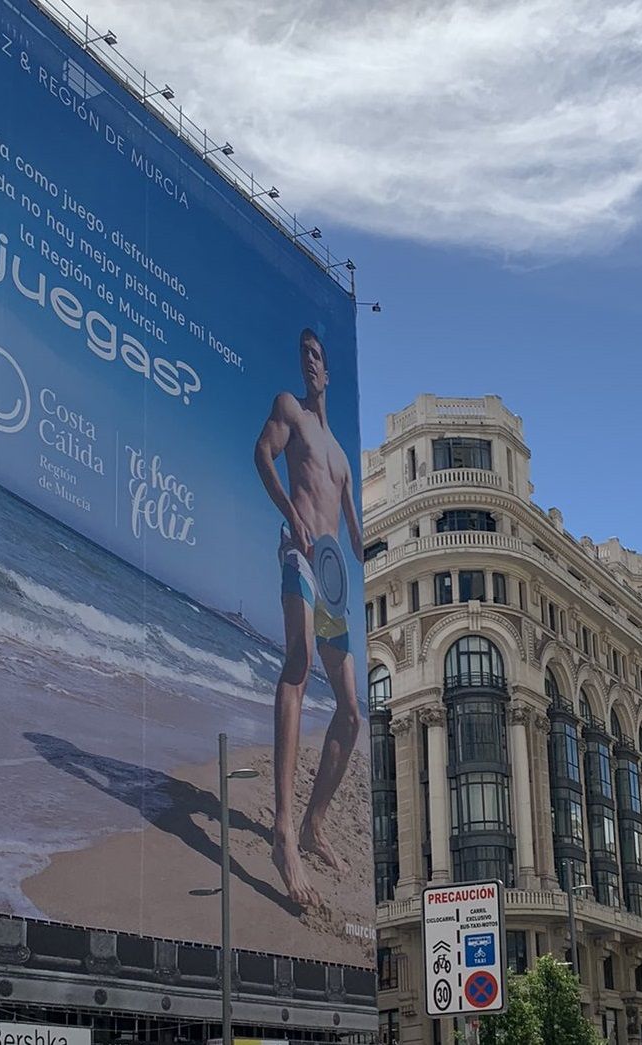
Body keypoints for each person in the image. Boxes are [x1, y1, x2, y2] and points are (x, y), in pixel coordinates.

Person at [253, 328, 363, 907]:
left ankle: (315, 821)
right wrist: (288, 513)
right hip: (298, 551)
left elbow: (353, 528)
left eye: (317, 356)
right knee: (296, 666)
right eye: (304, 355)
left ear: (330, 371)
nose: (310, 363)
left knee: (350, 712)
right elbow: (261, 456)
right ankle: (282, 834)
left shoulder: (342, 455)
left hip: (332, 577)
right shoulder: (288, 409)